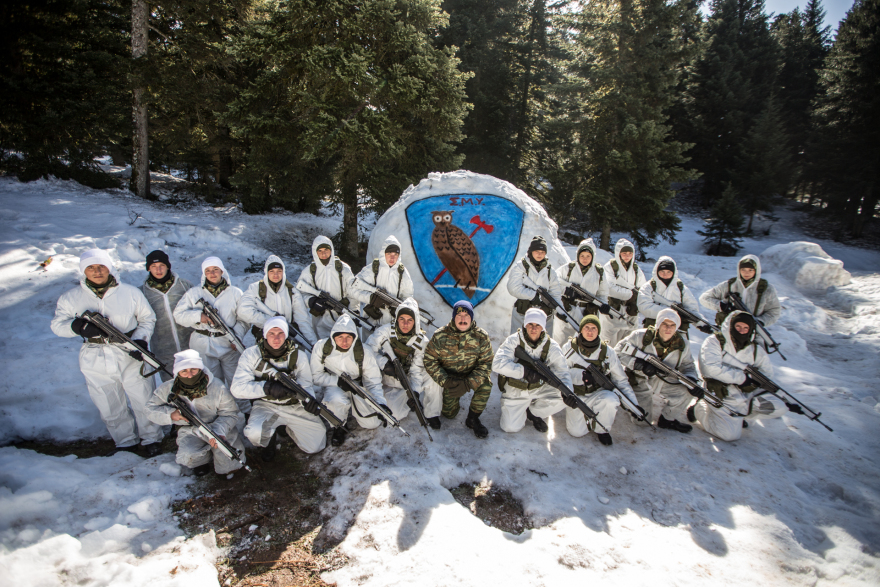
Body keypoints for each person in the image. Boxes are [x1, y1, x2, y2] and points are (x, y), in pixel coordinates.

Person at [50, 248, 163, 456]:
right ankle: (125, 441)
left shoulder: (130, 293)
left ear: (109, 268)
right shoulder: (71, 297)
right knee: (109, 402)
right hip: (95, 354)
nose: (97, 271)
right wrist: (78, 327)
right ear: (84, 271)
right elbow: (57, 325)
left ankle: (152, 438)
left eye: (101, 266)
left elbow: (148, 319)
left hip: (129, 351)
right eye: (91, 267)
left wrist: (140, 340)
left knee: (143, 397)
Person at [231, 317, 327, 461]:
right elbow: (237, 388)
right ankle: (269, 440)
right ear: (265, 335)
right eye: (272, 334)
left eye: (280, 333)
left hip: (294, 404)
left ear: (286, 334)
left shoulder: (298, 355)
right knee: (255, 433)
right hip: (266, 405)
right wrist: (266, 388)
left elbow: (306, 383)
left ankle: (288, 427)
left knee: (316, 445)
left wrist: (308, 402)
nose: (276, 338)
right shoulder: (251, 355)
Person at [690, 311, 794, 441]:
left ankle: (740, 415)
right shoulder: (715, 342)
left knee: (779, 407)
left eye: (746, 328)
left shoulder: (755, 349)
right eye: (738, 326)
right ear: (731, 325)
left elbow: (767, 375)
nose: (742, 331)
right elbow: (711, 369)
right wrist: (743, 378)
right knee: (729, 435)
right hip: (720, 391)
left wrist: (756, 383)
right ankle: (700, 409)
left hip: (744, 393)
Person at [145, 349, 246, 476]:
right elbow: (150, 409)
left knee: (230, 462)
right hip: (190, 431)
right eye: (184, 371)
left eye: (194, 369)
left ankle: (220, 458)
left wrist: (220, 431)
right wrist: (170, 415)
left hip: (218, 429)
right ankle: (203, 460)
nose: (190, 375)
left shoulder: (217, 386)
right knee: (189, 456)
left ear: (200, 369)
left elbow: (230, 413)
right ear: (178, 372)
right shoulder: (168, 388)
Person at [173, 257, 248, 412]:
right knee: (211, 382)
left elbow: (244, 320)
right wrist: (198, 317)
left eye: (215, 270)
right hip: (203, 343)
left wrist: (237, 337)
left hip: (229, 343)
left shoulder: (235, 293)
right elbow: (178, 315)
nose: (212, 273)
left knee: (236, 381)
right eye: (208, 270)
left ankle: (245, 413)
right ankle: (217, 413)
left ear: (222, 271)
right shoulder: (194, 293)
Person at [615, 308, 701, 433]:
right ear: (658, 324)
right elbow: (617, 351)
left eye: (672, 325)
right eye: (664, 324)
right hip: (639, 380)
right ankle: (627, 401)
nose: (668, 328)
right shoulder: (640, 336)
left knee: (687, 391)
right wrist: (639, 364)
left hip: (664, 380)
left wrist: (692, 380)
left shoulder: (682, 344)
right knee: (642, 421)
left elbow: (688, 366)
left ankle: (668, 419)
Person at [310, 314, 389, 447]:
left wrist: (380, 403)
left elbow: (373, 381)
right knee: (336, 399)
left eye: (348, 337)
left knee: (372, 423)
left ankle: (356, 408)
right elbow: (316, 376)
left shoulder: (364, 352)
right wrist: (336, 381)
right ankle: (339, 425)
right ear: (334, 336)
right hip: (334, 384)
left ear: (354, 337)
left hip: (357, 385)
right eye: (340, 337)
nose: (344, 342)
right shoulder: (321, 348)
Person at [561, 315, 639, 446]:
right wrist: (574, 383)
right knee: (576, 432)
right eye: (586, 327)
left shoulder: (608, 352)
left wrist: (633, 405)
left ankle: (601, 428)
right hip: (576, 395)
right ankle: (587, 417)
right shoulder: (568, 348)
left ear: (598, 331)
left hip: (599, 394)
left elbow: (621, 380)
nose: (590, 331)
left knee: (611, 399)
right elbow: (561, 374)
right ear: (581, 329)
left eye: (594, 328)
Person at [423, 301, 494, 438]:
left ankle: (473, 419)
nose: (462, 319)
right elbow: (429, 360)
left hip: (471, 376)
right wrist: (446, 381)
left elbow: (486, 363)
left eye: (466, 315)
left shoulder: (481, 336)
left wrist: (468, 383)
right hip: (451, 379)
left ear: (471, 317)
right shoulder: (440, 335)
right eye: (459, 315)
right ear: (453, 317)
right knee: (449, 414)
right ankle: (451, 401)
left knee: (486, 385)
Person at [493, 308, 569, 434]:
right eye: (530, 324)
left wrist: (568, 392)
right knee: (510, 427)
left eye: (538, 325)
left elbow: (563, 372)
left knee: (563, 397)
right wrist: (524, 372)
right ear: (525, 325)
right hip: (516, 389)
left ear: (543, 327)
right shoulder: (514, 340)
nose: (534, 328)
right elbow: (497, 364)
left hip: (539, 387)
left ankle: (533, 412)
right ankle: (519, 409)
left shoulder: (552, 346)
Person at [365, 298, 438, 427]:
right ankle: (402, 399)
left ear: (415, 321)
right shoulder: (385, 331)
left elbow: (416, 369)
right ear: (397, 319)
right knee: (394, 414)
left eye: (410, 320)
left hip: (408, 376)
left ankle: (431, 413)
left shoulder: (422, 340)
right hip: (388, 376)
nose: (405, 324)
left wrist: (414, 391)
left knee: (434, 377)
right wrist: (384, 363)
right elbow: (368, 350)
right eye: (402, 319)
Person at [698, 254, 781, 347]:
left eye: (751, 270)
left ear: (757, 270)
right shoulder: (729, 285)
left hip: (752, 335)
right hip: (728, 333)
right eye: (743, 270)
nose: (746, 273)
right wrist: (722, 306)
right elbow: (704, 298)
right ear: (739, 270)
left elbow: (774, 312)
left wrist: (760, 321)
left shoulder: (766, 289)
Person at [238, 254, 316, 348]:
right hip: (264, 339)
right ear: (266, 272)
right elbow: (243, 310)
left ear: (283, 272)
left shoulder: (292, 292)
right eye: (272, 271)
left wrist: (313, 343)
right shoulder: (255, 289)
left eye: (279, 271)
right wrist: (270, 322)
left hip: (287, 338)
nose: (276, 274)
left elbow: (303, 320)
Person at [140, 250, 194, 382]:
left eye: (161, 265)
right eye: (153, 266)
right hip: (163, 350)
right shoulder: (142, 293)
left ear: (168, 266)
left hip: (190, 344)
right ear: (148, 268)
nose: (158, 270)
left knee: (196, 380)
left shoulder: (184, 286)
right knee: (172, 385)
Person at [296, 236, 357, 340]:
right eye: (319, 251)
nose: (323, 254)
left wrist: (354, 311)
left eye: (326, 250)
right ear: (315, 252)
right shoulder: (309, 271)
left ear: (331, 250)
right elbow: (300, 294)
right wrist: (312, 301)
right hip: (321, 320)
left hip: (342, 317)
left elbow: (353, 291)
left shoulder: (343, 268)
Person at [555, 238, 613, 344]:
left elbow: (602, 293)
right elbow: (554, 281)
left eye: (588, 256)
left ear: (592, 256)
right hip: (568, 310)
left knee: (584, 342)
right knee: (562, 341)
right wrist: (566, 291)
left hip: (588, 313)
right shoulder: (569, 268)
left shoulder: (599, 272)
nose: (584, 259)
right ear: (578, 256)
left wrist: (603, 305)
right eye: (582, 256)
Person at [350, 236, 415, 329]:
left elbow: (408, 297)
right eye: (389, 253)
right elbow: (352, 288)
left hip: (392, 324)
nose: (392, 257)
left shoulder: (403, 273)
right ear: (383, 253)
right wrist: (370, 298)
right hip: (370, 320)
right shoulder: (373, 269)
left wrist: (399, 309)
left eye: (395, 254)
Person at [637, 256, 711, 336]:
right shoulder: (648, 287)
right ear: (657, 271)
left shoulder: (681, 288)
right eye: (662, 271)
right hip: (653, 329)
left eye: (668, 272)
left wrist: (701, 323)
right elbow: (644, 307)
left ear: (673, 273)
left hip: (677, 332)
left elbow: (691, 309)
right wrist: (672, 312)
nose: (665, 274)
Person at [507, 236, 563, 336]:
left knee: (544, 345)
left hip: (544, 316)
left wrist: (558, 309)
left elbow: (555, 292)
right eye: (536, 251)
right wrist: (533, 296)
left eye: (542, 252)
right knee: (519, 343)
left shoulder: (550, 271)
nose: (539, 254)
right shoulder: (521, 266)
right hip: (522, 314)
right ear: (531, 251)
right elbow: (513, 288)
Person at [603, 239, 647, 347]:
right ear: (619, 253)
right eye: (624, 253)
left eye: (630, 253)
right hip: (614, 311)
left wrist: (634, 296)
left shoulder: (636, 270)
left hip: (630, 312)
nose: (627, 256)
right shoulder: (610, 267)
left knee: (629, 343)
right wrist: (630, 294)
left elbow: (643, 288)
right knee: (609, 343)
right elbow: (609, 287)